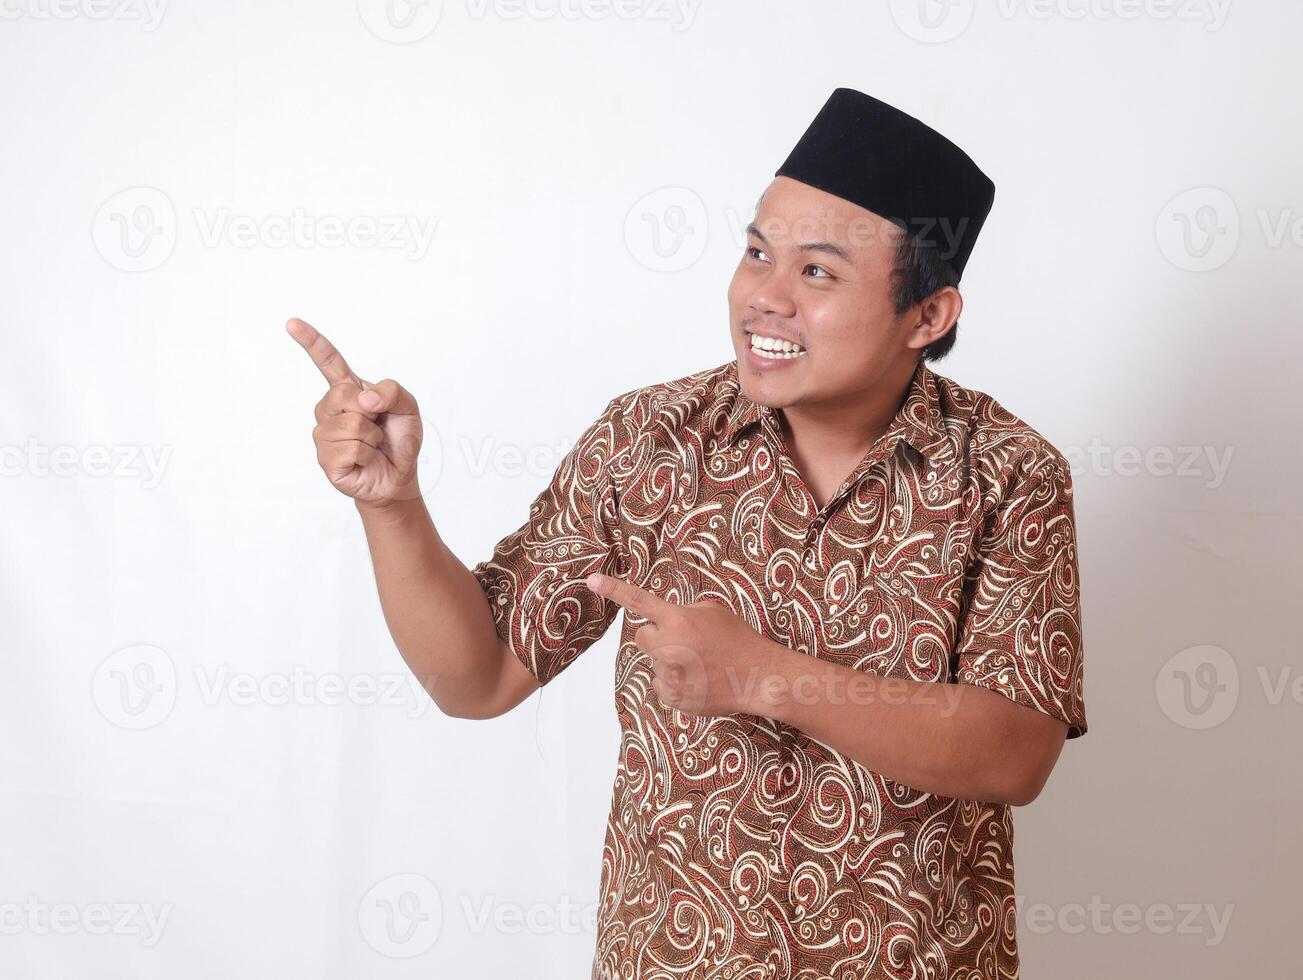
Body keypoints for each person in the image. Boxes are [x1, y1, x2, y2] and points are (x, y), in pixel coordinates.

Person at [290, 87, 1086, 980]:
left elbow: (1016, 751)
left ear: (928, 316)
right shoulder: (652, 440)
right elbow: (477, 677)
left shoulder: (1008, 474)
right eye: (756, 254)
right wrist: (392, 506)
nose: (765, 299)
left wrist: (762, 675)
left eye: (817, 273)